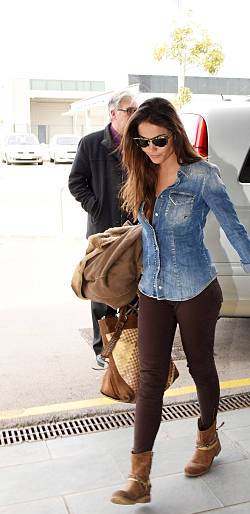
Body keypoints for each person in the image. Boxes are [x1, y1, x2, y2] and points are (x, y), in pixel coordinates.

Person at [110, 97, 250, 505]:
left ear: (175, 133)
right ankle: (140, 477)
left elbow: (237, 231)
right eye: (142, 142)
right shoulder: (140, 174)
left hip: (196, 290)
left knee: (201, 366)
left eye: (159, 140)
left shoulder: (202, 176)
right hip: (152, 291)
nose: (151, 149)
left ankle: (208, 440)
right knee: (150, 380)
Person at [68, 90, 138, 369]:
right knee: (101, 291)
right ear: (113, 114)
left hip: (133, 232)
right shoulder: (91, 144)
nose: (135, 115)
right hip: (103, 232)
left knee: (131, 290)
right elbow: (76, 182)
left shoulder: (139, 143)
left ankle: (128, 345)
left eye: (136, 110)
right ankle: (103, 349)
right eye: (129, 110)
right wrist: (96, 207)